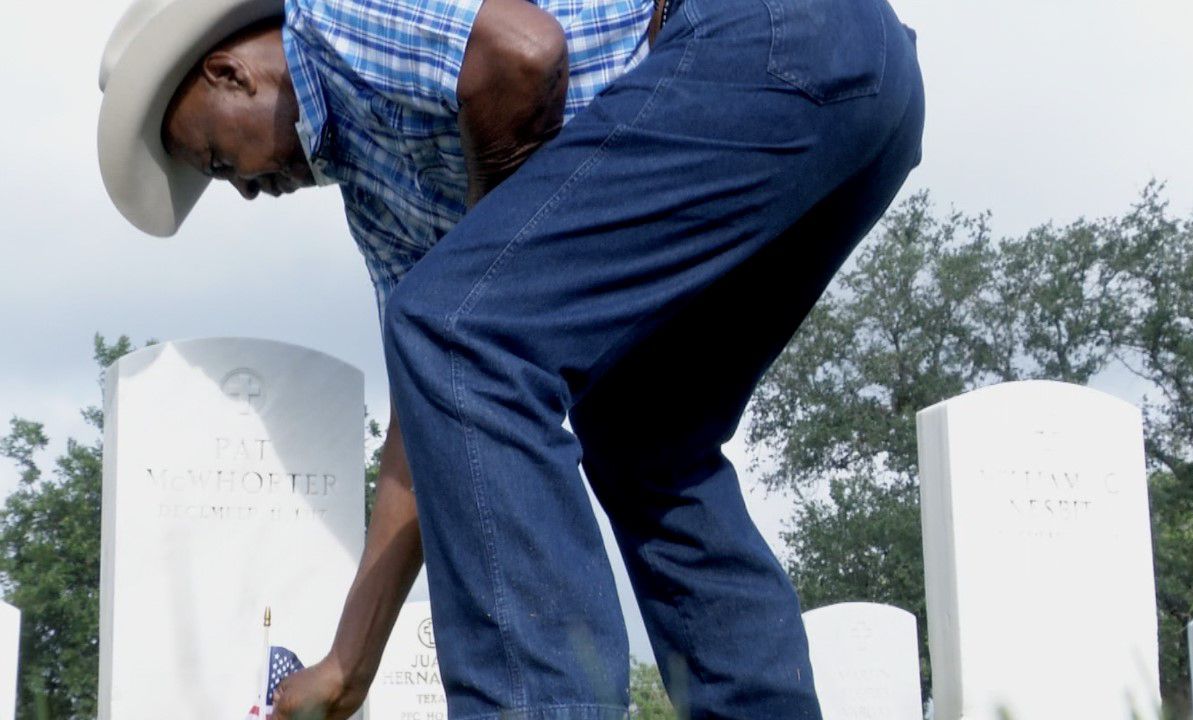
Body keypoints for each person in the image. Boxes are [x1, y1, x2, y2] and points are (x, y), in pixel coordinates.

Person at [97, 0, 924, 713]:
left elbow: (522, 51)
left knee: (457, 324)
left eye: (217, 161)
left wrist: (485, 274)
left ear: (229, 72)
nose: (244, 190)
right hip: (854, 94)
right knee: (646, 440)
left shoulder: (334, 21)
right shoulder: (380, 206)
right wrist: (349, 665)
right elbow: (434, 421)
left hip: (770, 42)